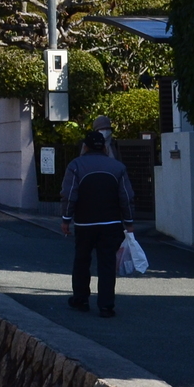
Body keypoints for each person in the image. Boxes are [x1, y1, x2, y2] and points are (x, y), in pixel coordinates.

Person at [59, 128, 135, 317]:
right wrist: (129, 221)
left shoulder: (76, 165)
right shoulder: (117, 167)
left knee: (82, 260)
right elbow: (126, 197)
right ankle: (106, 305)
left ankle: (81, 299)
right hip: (111, 223)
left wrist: (66, 219)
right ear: (104, 147)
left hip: (85, 223)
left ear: (85, 146)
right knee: (107, 263)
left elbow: (69, 195)